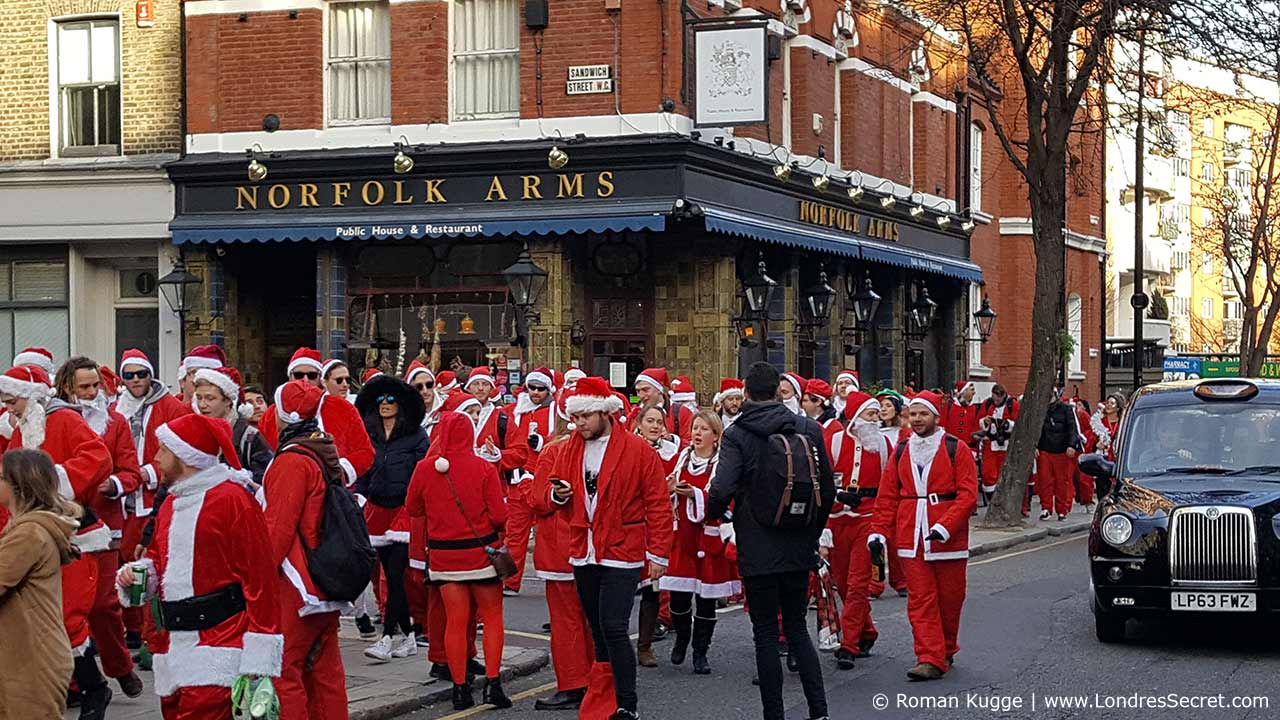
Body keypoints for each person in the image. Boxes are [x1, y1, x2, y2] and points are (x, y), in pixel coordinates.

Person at [115, 413, 283, 717]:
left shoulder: (233, 499)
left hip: (220, 645)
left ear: (185, 456)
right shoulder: (170, 502)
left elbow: (260, 579)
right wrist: (138, 575)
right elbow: (158, 560)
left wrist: (260, 656)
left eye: (164, 450)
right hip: (174, 645)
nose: (156, 457)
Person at [535, 376, 673, 720]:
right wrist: (558, 495)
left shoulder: (637, 450)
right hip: (584, 549)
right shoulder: (569, 449)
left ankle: (627, 704)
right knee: (597, 629)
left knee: (613, 626)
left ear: (605, 413)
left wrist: (658, 554)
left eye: (586, 417)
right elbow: (547, 497)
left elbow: (657, 503)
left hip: (622, 550)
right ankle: (603, 697)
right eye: (575, 417)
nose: (579, 424)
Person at [707, 362, 834, 720]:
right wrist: (810, 532)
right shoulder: (809, 428)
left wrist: (715, 514)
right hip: (798, 543)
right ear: (780, 391)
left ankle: (773, 714)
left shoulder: (738, 433)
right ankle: (819, 711)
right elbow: (828, 489)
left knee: (765, 634)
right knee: (797, 629)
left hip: (757, 543)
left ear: (746, 393)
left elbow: (722, 488)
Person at [867, 391, 978, 681]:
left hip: (947, 539)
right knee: (920, 599)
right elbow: (888, 494)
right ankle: (929, 657)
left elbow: (968, 495)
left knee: (951, 599)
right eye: (913, 414)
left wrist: (946, 525)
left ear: (935, 417)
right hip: (910, 536)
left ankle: (946, 646)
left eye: (922, 414)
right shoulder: (902, 450)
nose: (917, 420)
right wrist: (878, 530)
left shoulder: (957, 448)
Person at [405, 411, 512, 711]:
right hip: (481, 556)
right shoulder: (483, 468)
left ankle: (459, 689)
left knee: (455, 622)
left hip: (444, 558)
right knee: (491, 620)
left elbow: (413, 508)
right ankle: (493, 685)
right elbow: (499, 517)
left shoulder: (425, 469)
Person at [54, 357, 146, 700]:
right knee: (67, 606)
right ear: (67, 388)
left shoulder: (115, 422)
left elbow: (131, 471)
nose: (93, 393)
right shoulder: (55, 421)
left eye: (96, 386)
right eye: (84, 387)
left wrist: (115, 484)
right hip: (64, 525)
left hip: (104, 527)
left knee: (104, 605)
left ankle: (120, 667)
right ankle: (76, 682)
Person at [261, 380, 350, 720]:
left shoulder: (291, 461)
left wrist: (257, 576)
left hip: (297, 583)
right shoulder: (324, 451)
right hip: (326, 578)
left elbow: (278, 529)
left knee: (286, 669)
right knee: (326, 673)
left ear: (284, 413)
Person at [113, 348, 193, 648]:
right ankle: (133, 629)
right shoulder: (116, 408)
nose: (136, 380)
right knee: (125, 563)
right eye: (130, 375)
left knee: (146, 560)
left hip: (152, 496)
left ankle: (151, 634)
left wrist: (147, 473)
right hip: (123, 497)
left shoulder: (170, 406)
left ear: (151, 374)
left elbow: (181, 454)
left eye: (141, 374)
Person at [0, 448, 81, 720]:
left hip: (32, 661)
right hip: (25, 656)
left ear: (19, 487)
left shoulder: (29, 534)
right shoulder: (22, 529)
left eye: (1, 478)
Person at [354, 373, 429, 662]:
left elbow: (422, 473)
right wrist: (360, 494)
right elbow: (362, 467)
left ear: (402, 403)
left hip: (404, 510)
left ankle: (387, 638)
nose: (385, 404)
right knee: (386, 571)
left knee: (395, 575)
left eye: (391, 399)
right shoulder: (369, 434)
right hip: (376, 508)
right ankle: (409, 637)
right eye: (380, 399)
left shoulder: (416, 435)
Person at [659, 410, 737, 676]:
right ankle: (682, 637)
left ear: (716, 437)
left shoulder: (721, 465)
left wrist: (695, 495)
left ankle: (700, 651)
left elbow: (725, 497)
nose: (697, 433)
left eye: (704, 429)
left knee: (705, 600)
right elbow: (663, 487)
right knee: (679, 599)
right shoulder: (681, 459)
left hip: (708, 538)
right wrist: (669, 488)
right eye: (695, 428)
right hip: (683, 538)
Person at [526, 401, 593, 711]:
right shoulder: (554, 451)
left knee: (581, 619)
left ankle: (582, 681)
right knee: (576, 620)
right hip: (568, 548)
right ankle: (581, 681)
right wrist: (556, 495)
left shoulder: (565, 450)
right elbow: (537, 498)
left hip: (586, 548)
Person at [829, 392, 893, 670]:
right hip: (837, 520)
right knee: (841, 584)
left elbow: (890, 490)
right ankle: (867, 631)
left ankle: (848, 645)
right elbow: (823, 482)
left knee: (857, 585)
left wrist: (882, 527)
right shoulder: (834, 442)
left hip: (868, 520)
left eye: (877, 414)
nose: (875, 420)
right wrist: (839, 497)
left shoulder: (885, 447)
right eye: (871, 414)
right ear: (855, 417)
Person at [259, 348, 376, 488]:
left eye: (312, 375)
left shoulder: (343, 408)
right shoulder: (273, 414)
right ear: (289, 377)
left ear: (320, 379)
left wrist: (337, 473)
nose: (305, 380)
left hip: (335, 493)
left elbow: (365, 452)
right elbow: (263, 456)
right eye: (298, 375)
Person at [504, 367, 557, 595]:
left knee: (551, 536)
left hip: (545, 482)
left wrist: (544, 442)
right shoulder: (512, 411)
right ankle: (510, 581)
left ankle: (556, 579)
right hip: (518, 481)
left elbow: (565, 439)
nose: (536, 392)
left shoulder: (557, 413)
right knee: (515, 534)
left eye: (541, 388)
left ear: (549, 389)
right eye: (532, 387)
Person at [193, 367, 273, 487]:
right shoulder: (192, 434)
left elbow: (266, 480)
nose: (202, 405)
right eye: (199, 398)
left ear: (228, 401)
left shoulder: (250, 438)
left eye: (210, 398)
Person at [465, 367, 529, 477]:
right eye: (476, 384)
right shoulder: (457, 415)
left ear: (491, 389)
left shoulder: (502, 419)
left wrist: (496, 454)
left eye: (485, 384)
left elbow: (521, 453)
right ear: (468, 388)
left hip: (494, 482)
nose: (480, 388)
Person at [1037, 389, 1084, 521]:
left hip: (1062, 450)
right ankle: (1046, 508)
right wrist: (1035, 446)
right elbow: (1035, 429)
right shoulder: (1040, 409)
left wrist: (1071, 445)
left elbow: (1072, 428)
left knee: (1061, 481)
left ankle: (1061, 510)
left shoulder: (1066, 409)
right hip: (1045, 448)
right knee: (1044, 480)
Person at [631, 367, 694, 443]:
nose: (641, 395)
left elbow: (692, 443)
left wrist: (672, 439)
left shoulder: (682, 412)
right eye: (638, 391)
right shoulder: (634, 414)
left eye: (645, 390)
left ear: (659, 390)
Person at [977, 384, 1019, 495]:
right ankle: (992, 497)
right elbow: (979, 421)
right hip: (990, 444)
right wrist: (984, 422)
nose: (995, 401)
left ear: (1003, 396)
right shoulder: (987, 404)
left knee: (1004, 472)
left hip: (1006, 444)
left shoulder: (1012, 405)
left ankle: (1003, 496)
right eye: (994, 398)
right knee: (988, 473)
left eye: (998, 399)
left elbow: (1018, 424)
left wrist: (1006, 424)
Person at [801, 379, 843, 448]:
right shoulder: (803, 423)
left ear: (818, 402)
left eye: (805, 401)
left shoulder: (835, 427)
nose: (802, 405)